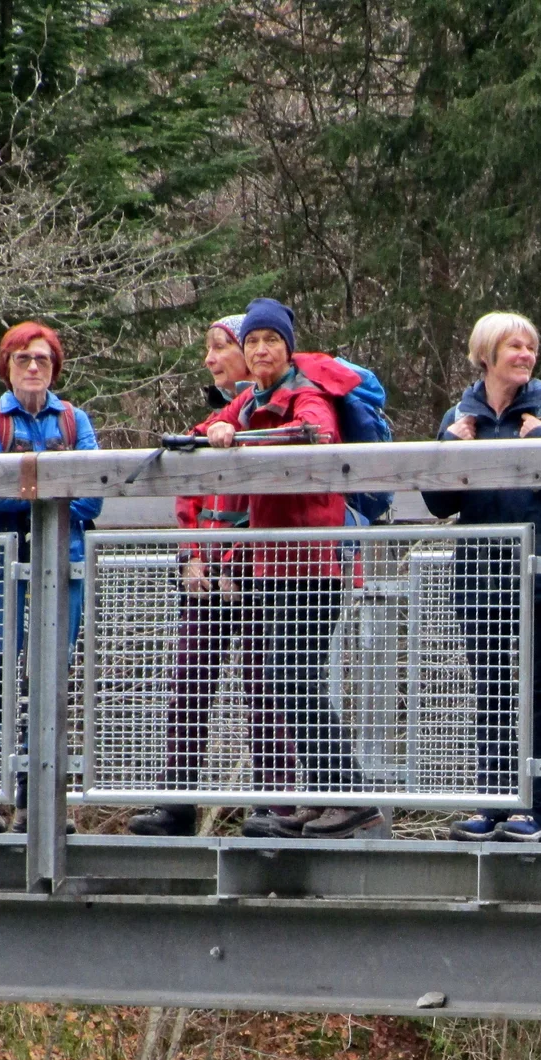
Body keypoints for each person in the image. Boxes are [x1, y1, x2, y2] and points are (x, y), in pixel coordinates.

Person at [194, 297, 384, 840]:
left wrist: (241, 439)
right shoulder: (253, 397)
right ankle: (324, 795)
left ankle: (349, 797)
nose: (259, 350)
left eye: (270, 341)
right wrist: (215, 432)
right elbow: (208, 425)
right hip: (275, 563)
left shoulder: (306, 393)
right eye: (252, 342)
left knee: (291, 675)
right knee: (286, 677)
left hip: (314, 563)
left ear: (287, 347)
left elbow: (314, 436)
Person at [128, 315, 294, 837]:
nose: (210, 358)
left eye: (220, 347)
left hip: (264, 571)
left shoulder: (272, 411)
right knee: (189, 679)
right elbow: (192, 498)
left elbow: (273, 499)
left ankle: (276, 803)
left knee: (269, 684)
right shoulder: (220, 416)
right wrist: (194, 556)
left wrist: (237, 559)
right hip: (210, 573)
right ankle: (176, 800)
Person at [423, 312, 541, 843]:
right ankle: (493, 802)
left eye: (531, 348)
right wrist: (452, 449)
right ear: (486, 354)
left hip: (540, 579)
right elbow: (438, 502)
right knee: (491, 692)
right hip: (478, 577)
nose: (526, 355)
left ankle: (537, 809)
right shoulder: (458, 418)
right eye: (515, 346)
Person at [0, 321, 102, 835]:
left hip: (64, 563)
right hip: (0, 566)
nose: (33, 368)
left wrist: (28, 493)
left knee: (50, 679)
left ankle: (41, 802)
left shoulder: (73, 419)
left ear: (55, 367)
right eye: (22, 360)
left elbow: (93, 494)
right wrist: (49, 490)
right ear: (7, 368)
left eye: (41, 359)